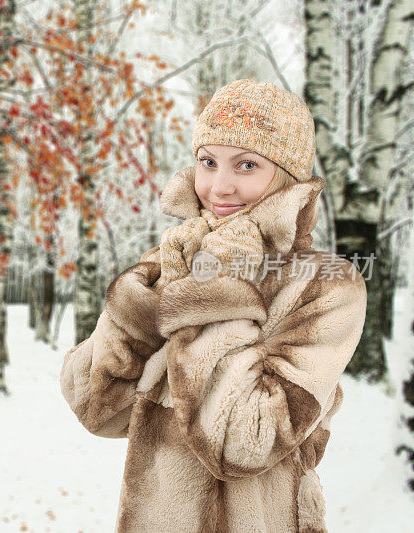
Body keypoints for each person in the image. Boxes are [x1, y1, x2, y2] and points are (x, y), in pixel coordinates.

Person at [59, 78, 367, 532]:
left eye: (246, 165)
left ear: (285, 176)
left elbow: (245, 445)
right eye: (208, 162)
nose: (219, 187)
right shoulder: (172, 264)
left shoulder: (326, 287)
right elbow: (96, 406)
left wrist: (217, 288)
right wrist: (142, 303)